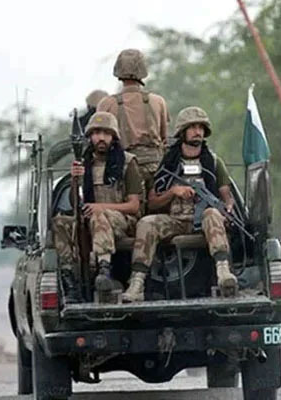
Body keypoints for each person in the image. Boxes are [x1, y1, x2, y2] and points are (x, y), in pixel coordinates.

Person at [122, 106, 238, 303]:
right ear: (182, 132)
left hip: (203, 221)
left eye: (201, 127)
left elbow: (226, 194)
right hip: (175, 220)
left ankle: (223, 273)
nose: (197, 132)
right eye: (192, 127)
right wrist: (173, 192)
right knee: (146, 223)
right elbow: (153, 201)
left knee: (212, 214)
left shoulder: (213, 162)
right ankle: (137, 283)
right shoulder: (168, 163)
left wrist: (227, 208)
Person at [52, 111, 143, 303]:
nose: (101, 138)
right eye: (96, 132)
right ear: (90, 137)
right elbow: (77, 205)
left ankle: (104, 269)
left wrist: (100, 207)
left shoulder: (127, 163)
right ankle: (70, 281)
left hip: (122, 221)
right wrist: (76, 179)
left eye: (106, 133)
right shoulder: (84, 163)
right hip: (90, 219)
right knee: (60, 222)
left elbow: (134, 206)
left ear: (113, 136)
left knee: (98, 216)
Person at [97, 49, 170, 198]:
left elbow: (98, 138)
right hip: (155, 168)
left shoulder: (107, 104)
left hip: (122, 168)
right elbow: (164, 139)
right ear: (143, 70)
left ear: (118, 71)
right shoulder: (158, 101)